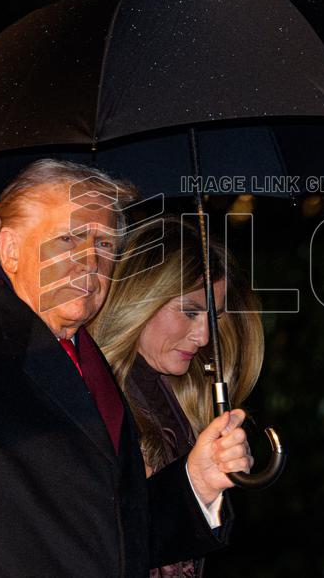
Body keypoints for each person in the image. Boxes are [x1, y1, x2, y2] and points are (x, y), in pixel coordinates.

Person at [0, 160, 253, 577]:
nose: (90, 261)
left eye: (105, 245)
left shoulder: (92, 362)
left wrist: (196, 484)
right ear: (10, 250)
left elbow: (110, 539)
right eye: (69, 239)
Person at [90, 216, 264, 577]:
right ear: (140, 298)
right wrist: (195, 483)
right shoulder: (92, 396)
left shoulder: (172, 399)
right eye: (189, 312)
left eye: (213, 318)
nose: (203, 337)